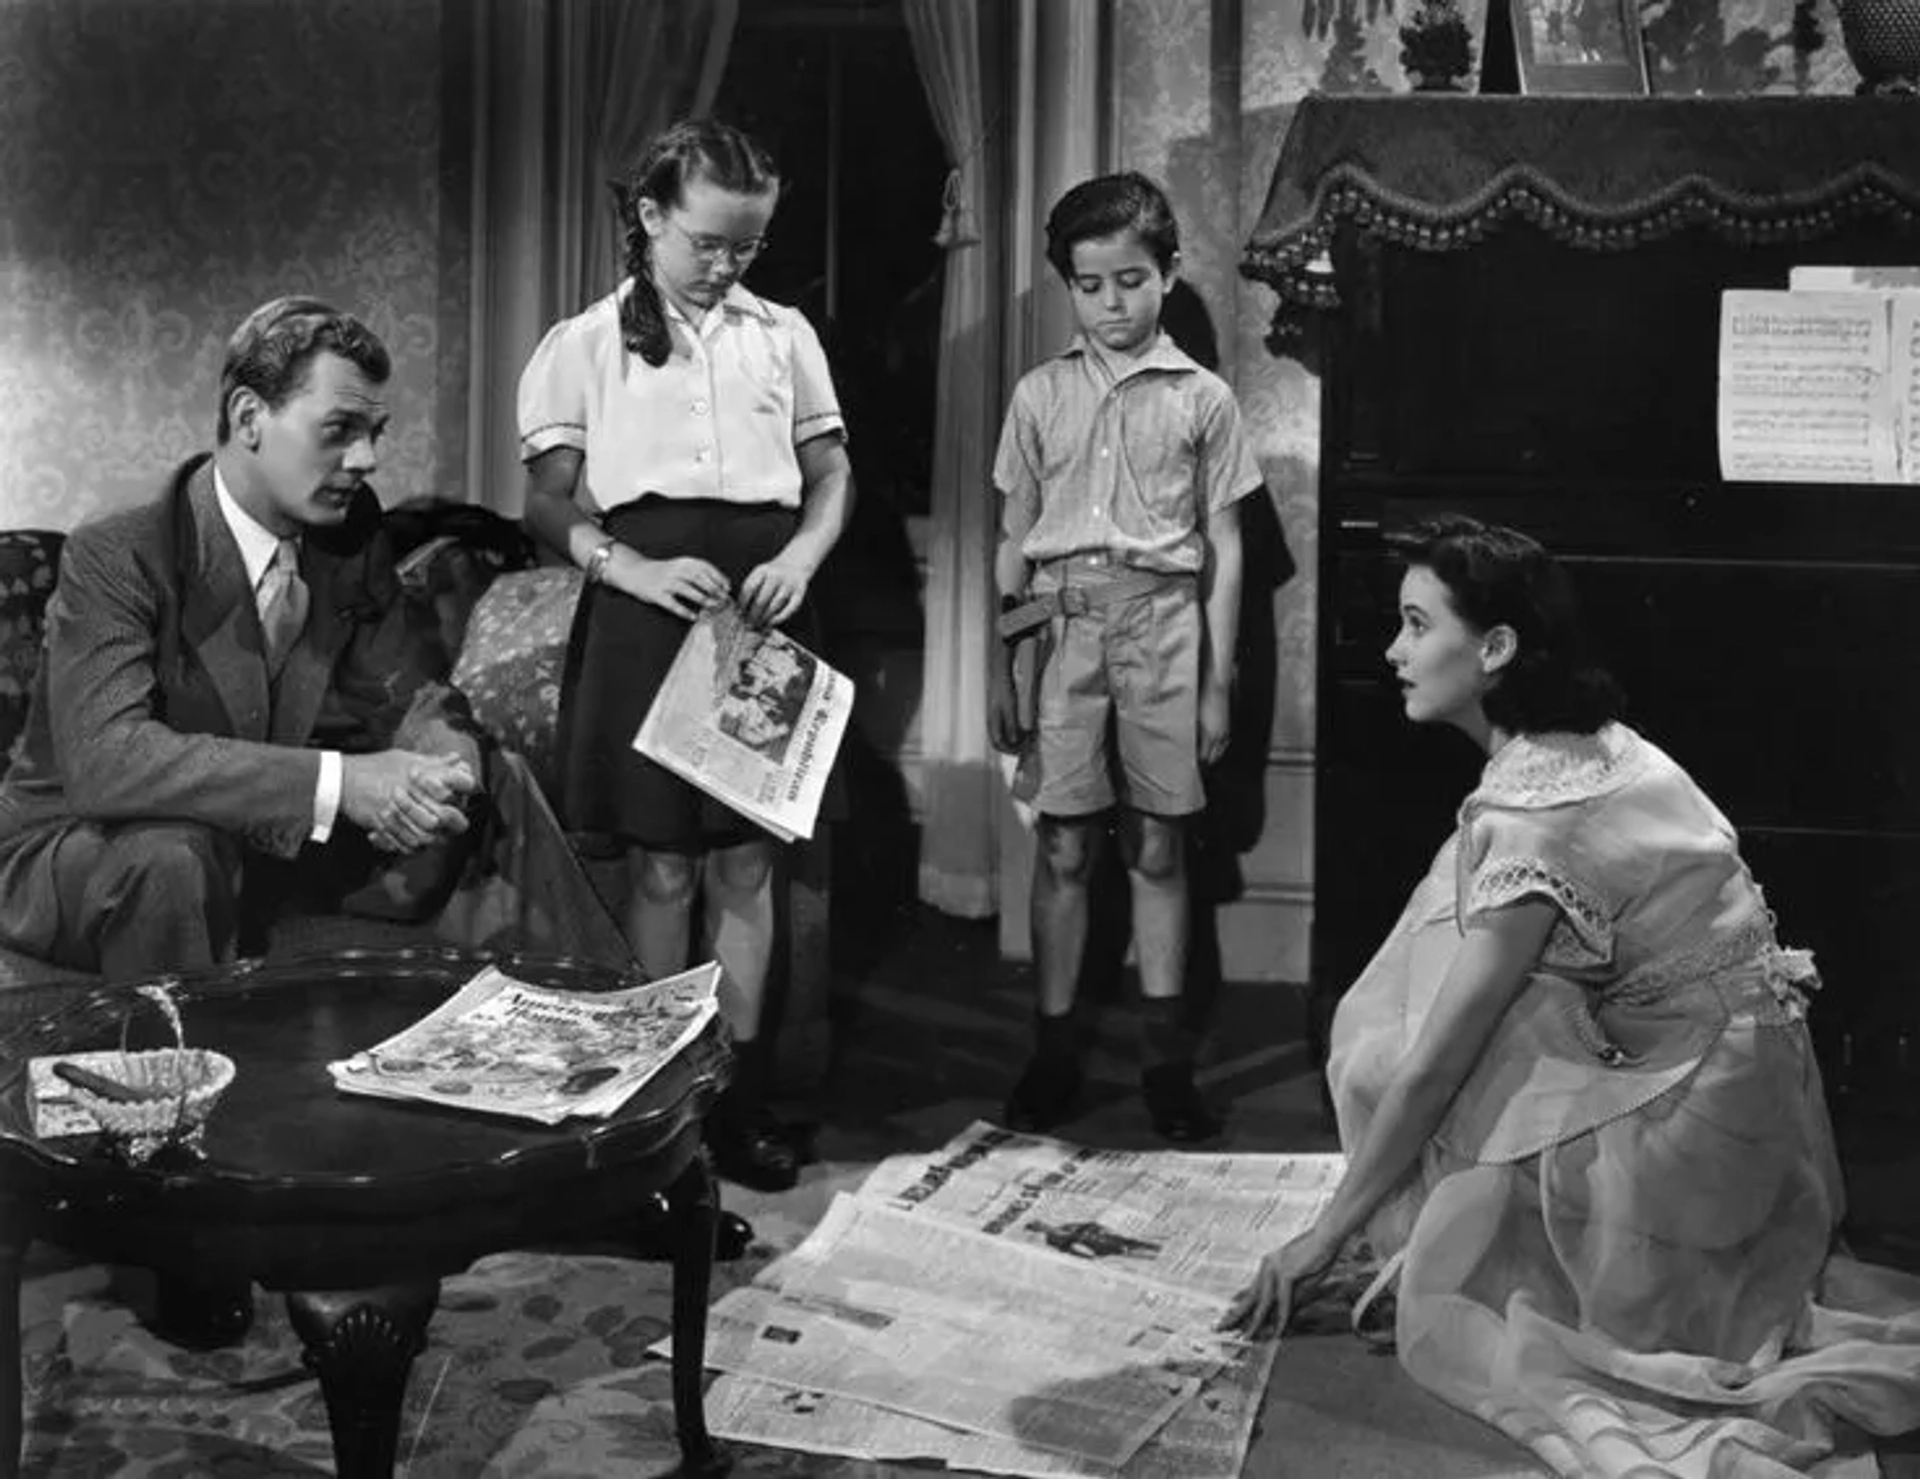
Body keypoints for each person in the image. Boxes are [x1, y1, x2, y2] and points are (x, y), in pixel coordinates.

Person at [1225, 515, 1920, 1475]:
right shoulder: (1586, 744)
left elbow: (1432, 1068)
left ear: (1496, 646)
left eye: (1418, 625)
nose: (1393, 650)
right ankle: (1446, 1240)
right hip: (1744, 1094)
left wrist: (1321, 1236)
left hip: (1705, 1134)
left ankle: (1470, 1259)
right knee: (1448, 987)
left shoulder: (1535, 816)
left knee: (1409, 1054)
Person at [517, 118, 854, 1193]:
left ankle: (739, 1106)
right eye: (708, 241)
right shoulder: (583, 342)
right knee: (663, 864)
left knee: (747, 862)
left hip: (763, 611)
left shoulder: (784, 333)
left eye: (746, 246)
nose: (727, 265)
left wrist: (803, 553)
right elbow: (548, 506)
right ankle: (663, 1113)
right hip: (646, 608)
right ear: (652, 215)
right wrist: (630, 569)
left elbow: (831, 473)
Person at [0, 296, 484, 981]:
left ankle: (562, 1044)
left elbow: (410, 689)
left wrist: (445, 770)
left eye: (375, 430)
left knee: (498, 783)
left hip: (255, 837)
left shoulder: (350, 527)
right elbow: (107, 760)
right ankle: (181, 1083)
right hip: (82, 843)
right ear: (249, 417)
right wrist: (342, 783)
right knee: (171, 855)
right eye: (340, 428)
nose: (368, 457)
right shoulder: (122, 544)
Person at [987, 172, 1265, 1144]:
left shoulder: (1206, 400)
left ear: (1170, 274)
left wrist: (1217, 682)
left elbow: (1227, 549)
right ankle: (1053, 1051)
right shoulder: (1039, 395)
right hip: (1063, 636)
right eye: (1093, 285)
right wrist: (1003, 666)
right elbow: (1015, 542)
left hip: (1167, 636)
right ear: (1069, 284)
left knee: (1156, 845)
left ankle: (1165, 1065)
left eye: (1133, 281)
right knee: (1063, 843)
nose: (1114, 304)